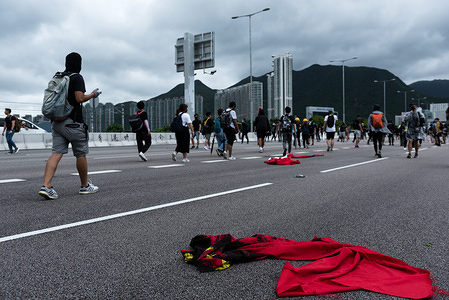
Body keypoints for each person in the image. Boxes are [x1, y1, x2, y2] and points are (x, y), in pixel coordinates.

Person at [39, 52, 101, 200]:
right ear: (79, 64)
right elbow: (79, 98)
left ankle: (46, 186)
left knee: (56, 153)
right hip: (73, 123)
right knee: (80, 154)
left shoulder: (59, 77)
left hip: (57, 122)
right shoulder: (77, 77)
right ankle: (85, 186)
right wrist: (93, 95)